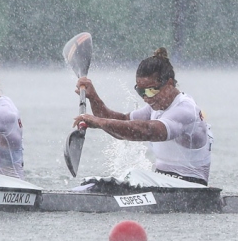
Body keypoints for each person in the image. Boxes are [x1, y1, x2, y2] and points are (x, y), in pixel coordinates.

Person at [74, 48, 212, 185]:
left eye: (151, 91)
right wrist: (93, 97)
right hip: (165, 185)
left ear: (169, 84)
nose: (146, 98)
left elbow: (147, 131)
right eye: (141, 92)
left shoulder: (185, 110)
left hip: (192, 189)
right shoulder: (156, 107)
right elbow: (120, 122)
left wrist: (99, 122)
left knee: (133, 174)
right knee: (119, 179)